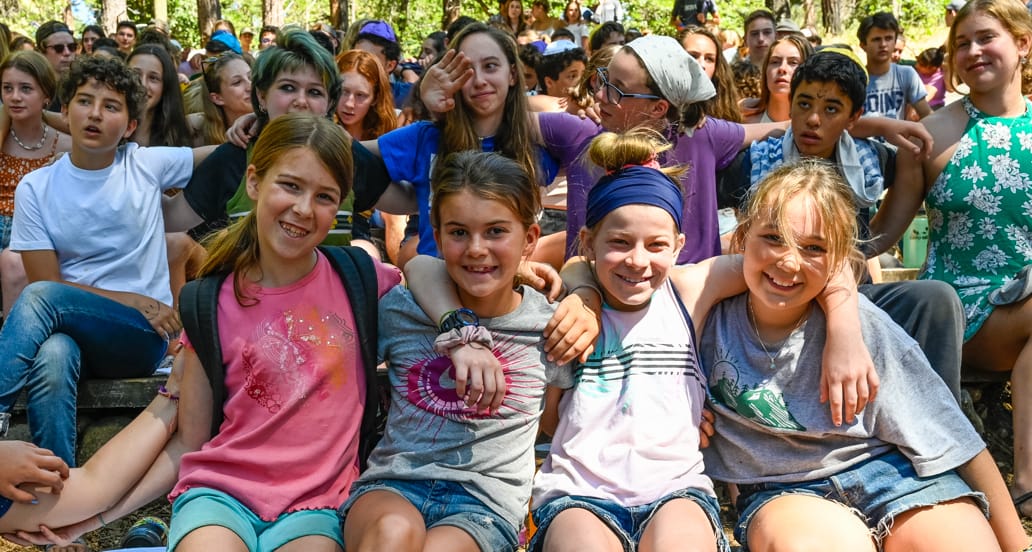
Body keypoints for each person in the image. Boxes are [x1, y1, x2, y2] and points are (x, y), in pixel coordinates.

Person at [701, 159, 1029, 552]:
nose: (788, 262)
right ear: (741, 238)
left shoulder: (864, 326)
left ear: (838, 259)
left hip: (897, 477)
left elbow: (952, 435)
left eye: (814, 248)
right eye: (773, 237)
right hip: (788, 489)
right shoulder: (705, 315)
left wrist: (1018, 545)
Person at [342, 150, 567, 552]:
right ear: (439, 234)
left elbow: (557, 420)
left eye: (496, 231)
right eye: (459, 232)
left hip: (483, 504)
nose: (476, 249)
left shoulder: (548, 328)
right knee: (393, 533)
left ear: (529, 239)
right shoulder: (402, 310)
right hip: (393, 485)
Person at [867, 0, 1032, 520]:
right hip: (961, 311)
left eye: (986, 38)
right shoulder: (932, 133)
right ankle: (1026, 482)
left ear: (1022, 44)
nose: (972, 51)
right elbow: (885, 233)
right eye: (962, 43)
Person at [0, 55, 204, 466]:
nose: (94, 114)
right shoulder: (36, 188)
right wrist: (127, 298)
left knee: (43, 303)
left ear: (129, 126)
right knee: (54, 354)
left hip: (141, 334)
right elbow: (48, 286)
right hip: (76, 328)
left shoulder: (143, 164)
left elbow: (219, 158)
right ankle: (54, 497)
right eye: (84, 101)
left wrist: (240, 130)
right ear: (65, 110)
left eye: (110, 106)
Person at [369, 23, 557, 258]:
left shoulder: (533, 146)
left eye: (490, 66)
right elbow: (347, 151)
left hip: (502, 282)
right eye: (466, 70)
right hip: (434, 279)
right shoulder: (426, 137)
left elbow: (594, 141)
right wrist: (423, 102)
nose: (479, 80)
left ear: (512, 74)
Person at [0, 51, 72, 318]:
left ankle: (13, 348)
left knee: (14, 259)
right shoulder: (1, 134)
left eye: (25, 88)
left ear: (46, 96)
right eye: (8, 88)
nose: (15, 96)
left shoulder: (66, 144)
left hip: (37, 232)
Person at [858, 12, 932, 120]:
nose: (883, 44)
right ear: (863, 45)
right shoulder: (855, 80)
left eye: (888, 38)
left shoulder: (906, 75)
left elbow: (927, 114)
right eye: (876, 39)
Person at [127, 44, 191, 148]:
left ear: (166, 85)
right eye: (135, 74)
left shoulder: (182, 135)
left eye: (153, 78)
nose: (143, 84)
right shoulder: (105, 131)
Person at [741, 35, 813, 123]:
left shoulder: (817, 126)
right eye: (775, 62)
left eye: (793, 62)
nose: (782, 68)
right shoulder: (742, 120)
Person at [188, 52, 253, 146]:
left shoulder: (272, 118)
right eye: (237, 82)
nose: (250, 86)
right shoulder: (197, 133)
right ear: (217, 98)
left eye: (251, 77)